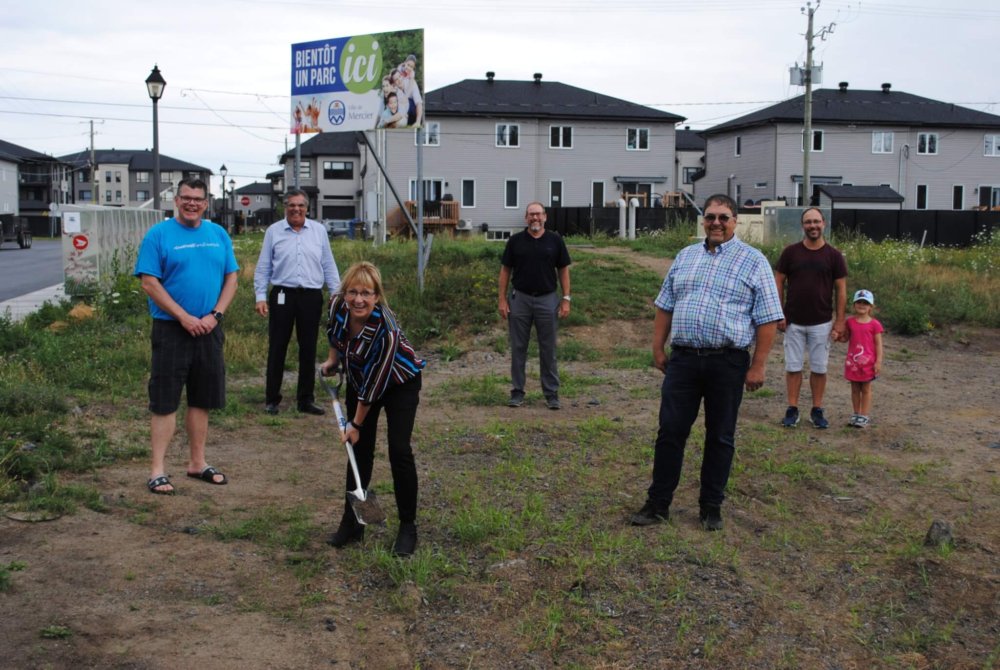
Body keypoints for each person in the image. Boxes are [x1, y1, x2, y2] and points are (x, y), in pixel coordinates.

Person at [630, 194, 784, 531]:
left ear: (735, 221)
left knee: (720, 436)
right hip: (683, 361)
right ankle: (658, 503)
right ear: (703, 219)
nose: (716, 223)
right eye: (711, 216)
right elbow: (665, 304)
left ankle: (711, 506)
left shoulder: (754, 261)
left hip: (727, 362)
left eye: (723, 217)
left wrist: (757, 365)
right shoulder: (685, 257)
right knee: (670, 432)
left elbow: (768, 319)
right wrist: (658, 347)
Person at [134, 177, 239, 495]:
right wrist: (184, 317)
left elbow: (231, 276)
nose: (192, 203)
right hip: (171, 329)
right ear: (176, 201)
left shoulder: (217, 234)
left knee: (202, 398)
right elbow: (150, 283)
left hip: (209, 329)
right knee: (165, 401)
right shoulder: (159, 235)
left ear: (207, 203)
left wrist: (215, 315)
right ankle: (157, 471)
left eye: (198, 199)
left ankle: (197, 463)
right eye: (186, 198)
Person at [320, 262, 426, 557]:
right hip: (360, 378)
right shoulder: (337, 306)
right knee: (359, 451)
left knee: (399, 449)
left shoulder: (386, 330)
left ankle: (408, 527)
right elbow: (334, 333)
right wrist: (333, 360)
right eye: (352, 292)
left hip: (398, 382)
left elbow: (375, 386)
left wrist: (354, 424)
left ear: (377, 296)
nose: (358, 299)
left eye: (366, 293)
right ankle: (353, 523)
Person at [254, 189, 340, 416]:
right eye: (291, 205)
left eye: (300, 205)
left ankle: (306, 399)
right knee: (277, 347)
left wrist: (336, 293)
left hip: (311, 296)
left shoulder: (319, 231)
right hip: (283, 294)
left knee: (308, 348)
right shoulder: (274, 231)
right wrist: (260, 296)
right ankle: (272, 399)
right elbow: (263, 266)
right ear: (285, 207)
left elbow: (328, 263)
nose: (296, 209)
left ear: (307, 208)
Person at [774, 207, 848, 429]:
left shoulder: (834, 256)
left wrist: (840, 320)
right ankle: (792, 408)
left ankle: (817, 409)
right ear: (802, 225)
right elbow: (778, 282)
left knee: (819, 368)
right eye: (808, 222)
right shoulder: (790, 253)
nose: (812, 226)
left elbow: (841, 290)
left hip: (822, 322)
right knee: (793, 366)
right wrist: (779, 313)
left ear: (823, 224)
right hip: (793, 321)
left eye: (816, 221)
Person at [498, 202, 572, 410]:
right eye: (531, 215)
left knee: (548, 348)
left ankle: (551, 393)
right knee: (518, 347)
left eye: (538, 214)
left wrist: (566, 298)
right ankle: (517, 392)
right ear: (525, 218)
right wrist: (502, 299)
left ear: (545, 217)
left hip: (547, 300)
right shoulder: (515, 242)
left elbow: (563, 270)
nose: (535, 218)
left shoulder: (555, 241)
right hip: (520, 299)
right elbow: (505, 271)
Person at [843, 289, 884, 428]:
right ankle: (856, 413)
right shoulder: (850, 322)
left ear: (871, 306)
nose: (862, 305)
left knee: (866, 388)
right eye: (859, 302)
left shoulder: (875, 324)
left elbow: (878, 344)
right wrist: (837, 336)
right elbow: (846, 338)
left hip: (868, 363)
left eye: (865, 303)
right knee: (854, 388)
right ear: (854, 304)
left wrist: (878, 361)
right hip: (853, 363)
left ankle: (864, 415)